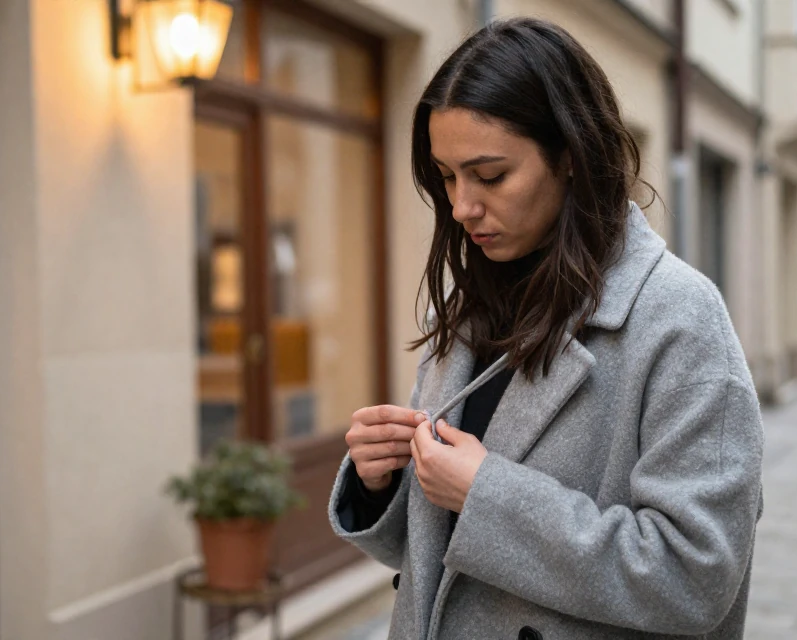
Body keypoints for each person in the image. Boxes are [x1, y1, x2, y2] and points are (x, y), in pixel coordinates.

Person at [326, 17, 764, 640]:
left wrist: (488, 496)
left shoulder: (678, 317)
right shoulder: (465, 305)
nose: (462, 207)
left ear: (570, 158)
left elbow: (696, 579)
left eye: (490, 175)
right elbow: (443, 567)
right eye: (447, 176)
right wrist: (382, 481)